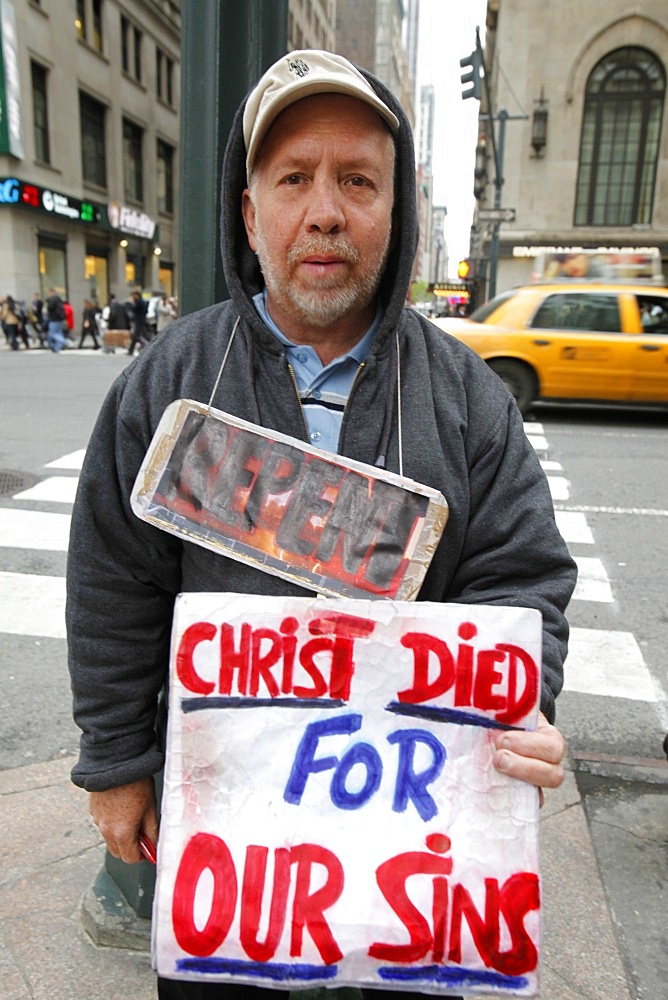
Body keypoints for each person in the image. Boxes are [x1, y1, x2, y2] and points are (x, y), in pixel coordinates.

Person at [66, 50, 577, 1000]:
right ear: (250, 212)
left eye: (358, 181)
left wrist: (523, 700)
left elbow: (524, 579)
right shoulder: (169, 380)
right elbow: (113, 581)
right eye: (294, 179)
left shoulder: (468, 398)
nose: (326, 211)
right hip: (231, 863)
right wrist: (116, 765)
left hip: (409, 870)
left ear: (398, 212)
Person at [127, 288, 150, 354]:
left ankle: (130, 351)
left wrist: (131, 303)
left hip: (139, 321)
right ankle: (131, 350)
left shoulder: (138, 302)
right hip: (142, 320)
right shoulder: (142, 301)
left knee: (136, 336)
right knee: (144, 335)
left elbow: (134, 309)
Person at [45, 288, 67, 353]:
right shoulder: (59, 299)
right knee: (59, 332)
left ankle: (63, 341)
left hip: (54, 319)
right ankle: (57, 348)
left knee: (53, 333)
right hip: (60, 319)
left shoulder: (52, 299)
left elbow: (50, 308)